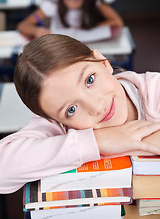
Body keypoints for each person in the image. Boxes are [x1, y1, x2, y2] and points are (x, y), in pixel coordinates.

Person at [0, 34, 160, 194]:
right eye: (71, 109)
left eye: (90, 80)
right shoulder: (60, 125)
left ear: (104, 62)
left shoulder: (155, 89)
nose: (96, 107)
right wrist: (97, 142)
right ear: (53, 119)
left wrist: (127, 142)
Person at [17, 0, 124, 42]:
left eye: (77, 0)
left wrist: (91, 27)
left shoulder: (94, 2)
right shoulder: (54, 3)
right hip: (61, 46)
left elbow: (118, 22)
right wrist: (36, 31)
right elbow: (22, 25)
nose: (71, 3)